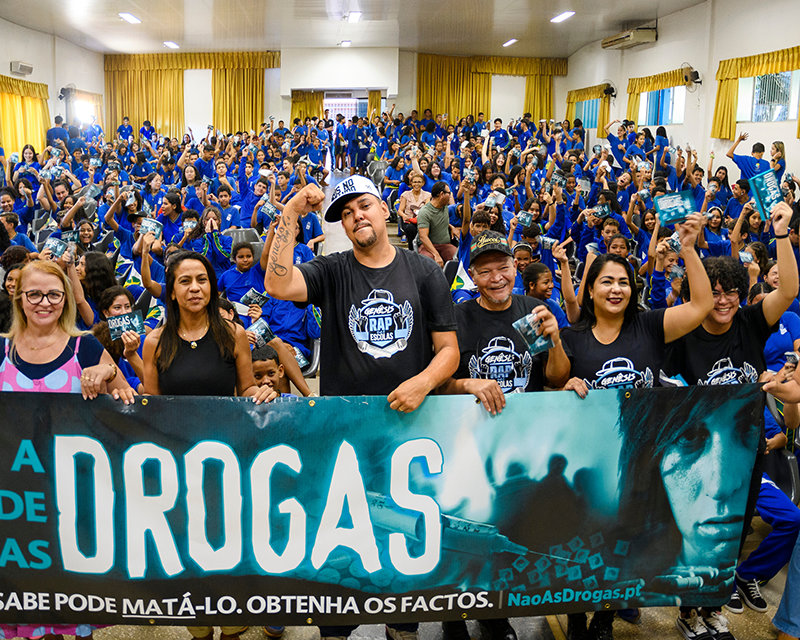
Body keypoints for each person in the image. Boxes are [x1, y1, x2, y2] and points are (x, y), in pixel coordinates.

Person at [264, 176, 459, 640]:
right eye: (346, 213)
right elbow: (276, 283)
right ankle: (337, 625)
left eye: (364, 206)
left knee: (403, 535)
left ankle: (400, 624)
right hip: (344, 435)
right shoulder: (332, 270)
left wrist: (424, 382)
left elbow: (449, 349)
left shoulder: (424, 271)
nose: (356, 217)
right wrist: (291, 211)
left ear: (385, 210)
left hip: (408, 430)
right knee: (341, 538)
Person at [561, 214, 713, 640]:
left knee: (622, 544)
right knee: (583, 544)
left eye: (623, 282)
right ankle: (575, 615)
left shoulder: (649, 327)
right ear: (591, 290)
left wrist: (687, 248)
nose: (616, 289)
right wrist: (563, 384)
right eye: (606, 282)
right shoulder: (573, 338)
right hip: (590, 464)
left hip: (639, 463)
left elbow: (701, 306)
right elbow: (552, 388)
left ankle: (603, 618)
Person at [665, 202, 798, 640]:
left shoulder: (750, 323)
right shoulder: (683, 333)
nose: (722, 301)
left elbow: (788, 291)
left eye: (731, 292)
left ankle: (713, 607)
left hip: (746, 454)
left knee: (734, 536)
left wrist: (781, 234)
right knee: (700, 537)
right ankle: (689, 612)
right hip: (700, 457)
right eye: (715, 292)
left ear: (741, 294)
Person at [142, 251, 274, 404]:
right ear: (172, 292)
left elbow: (246, 389)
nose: (195, 288)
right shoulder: (154, 342)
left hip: (222, 419)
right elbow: (152, 401)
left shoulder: (234, 334)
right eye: (185, 281)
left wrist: (261, 394)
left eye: (202, 280)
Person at [417, 180, 456, 266]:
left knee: (458, 258)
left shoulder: (445, 207)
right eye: (449, 193)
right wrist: (436, 254)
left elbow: (438, 221)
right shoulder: (425, 212)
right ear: (441, 194)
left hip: (445, 245)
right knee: (429, 262)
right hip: (428, 246)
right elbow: (423, 237)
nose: (450, 196)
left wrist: (451, 227)